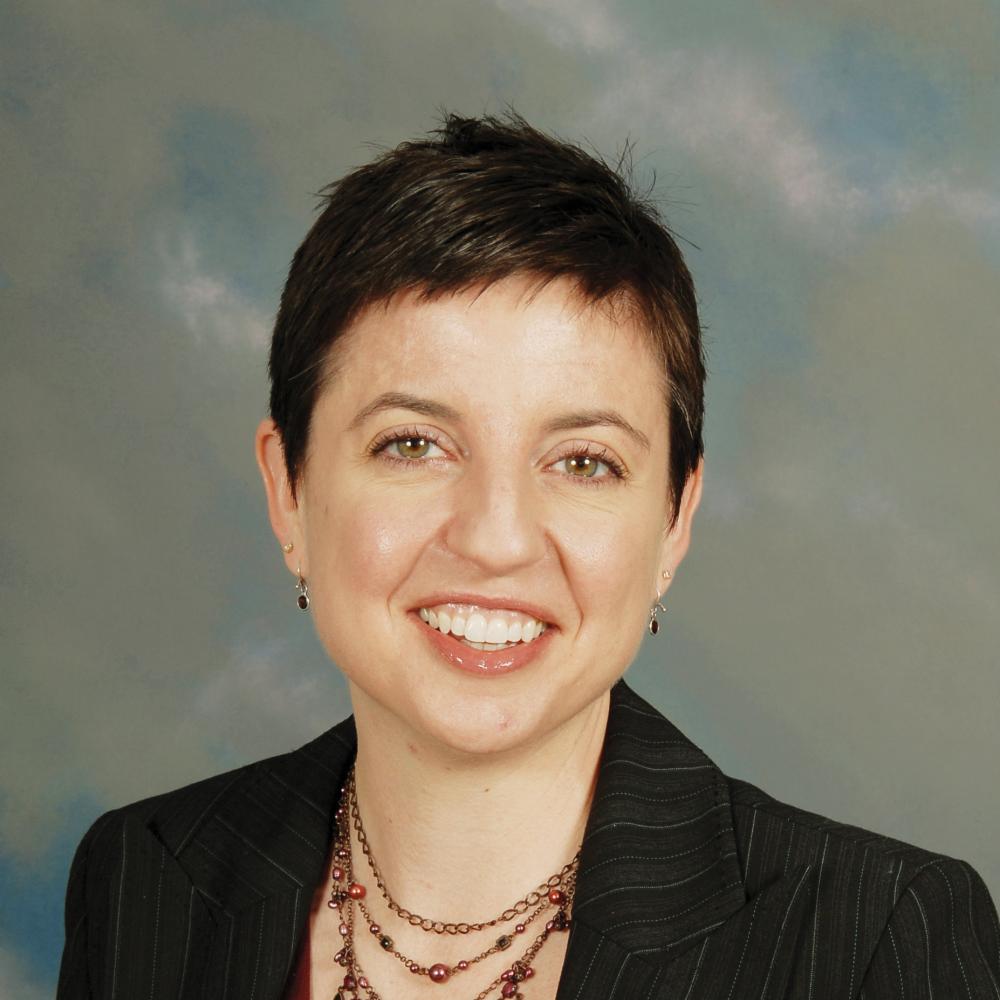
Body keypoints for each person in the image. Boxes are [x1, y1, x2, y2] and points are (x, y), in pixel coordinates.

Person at [57, 111, 999, 1000]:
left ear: (675, 520)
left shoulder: (876, 938)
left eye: (584, 462)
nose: (497, 538)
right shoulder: (145, 874)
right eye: (413, 445)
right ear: (288, 491)